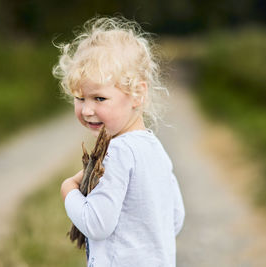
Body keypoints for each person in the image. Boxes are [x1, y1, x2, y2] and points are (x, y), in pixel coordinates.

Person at [53, 15, 185, 267]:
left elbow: (97, 224)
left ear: (138, 94)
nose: (87, 110)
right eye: (80, 98)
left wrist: (68, 190)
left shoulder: (119, 151)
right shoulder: (153, 147)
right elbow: (176, 218)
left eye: (99, 98)